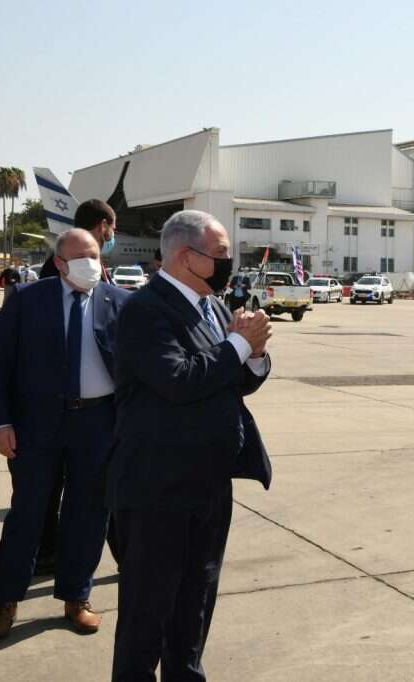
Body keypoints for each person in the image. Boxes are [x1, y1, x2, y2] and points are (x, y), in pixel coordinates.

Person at [108, 210, 273, 681]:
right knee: (147, 614)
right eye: (220, 254)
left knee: (195, 605)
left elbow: (227, 381)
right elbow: (178, 380)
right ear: (186, 257)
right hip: (156, 488)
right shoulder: (145, 310)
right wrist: (239, 345)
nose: (228, 262)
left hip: (208, 484)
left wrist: (254, 356)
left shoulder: (213, 307)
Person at [0, 228, 130, 639]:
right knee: (28, 512)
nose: (92, 264)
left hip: (98, 424)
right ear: (60, 263)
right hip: (37, 425)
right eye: (81, 257)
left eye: (96, 255)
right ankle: (6, 600)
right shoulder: (27, 301)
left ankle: (75, 597)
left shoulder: (120, 302)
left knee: (89, 514)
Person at [37, 199, 120, 574]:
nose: (111, 237)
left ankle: (71, 565)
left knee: (94, 493)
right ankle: (45, 554)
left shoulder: (99, 272)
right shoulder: (57, 271)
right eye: (112, 229)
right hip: (56, 407)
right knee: (45, 493)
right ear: (104, 225)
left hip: (97, 411)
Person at [40, 199, 117, 282]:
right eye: (113, 229)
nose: (113, 235)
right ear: (104, 226)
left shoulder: (95, 263)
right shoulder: (60, 265)